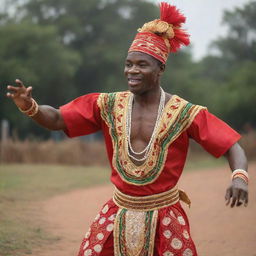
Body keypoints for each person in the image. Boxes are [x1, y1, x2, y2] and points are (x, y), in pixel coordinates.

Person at [6, 2, 248, 256]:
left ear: (160, 69)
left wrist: (239, 177)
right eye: (128, 64)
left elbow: (232, 146)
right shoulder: (107, 105)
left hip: (166, 216)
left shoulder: (185, 113)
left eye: (142, 65)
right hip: (117, 212)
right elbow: (56, 118)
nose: (132, 71)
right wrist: (29, 105)